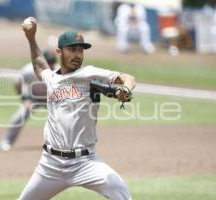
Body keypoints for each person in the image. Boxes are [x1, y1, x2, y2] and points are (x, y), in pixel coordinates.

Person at [18, 17, 136, 200]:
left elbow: (127, 78)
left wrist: (126, 90)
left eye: (80, 50)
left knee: (122, 194)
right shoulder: (51, 78)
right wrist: (31, 37)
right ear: (59, 51)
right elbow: (40, 65)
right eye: (72, 49)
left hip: (85, 163)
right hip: (50, 165)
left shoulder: (88, 73)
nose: (77, 54)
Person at [0, 49, 57, 152]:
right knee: (19, 116)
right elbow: (17, 83)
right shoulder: (29, 70)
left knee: (64, 117)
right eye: (49, 62)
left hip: (51, 99)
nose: (51, 65)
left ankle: (64, 144)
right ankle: (7, 141)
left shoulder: (58, 71)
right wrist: (24, 99)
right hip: (33, 98)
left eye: (53, 62)